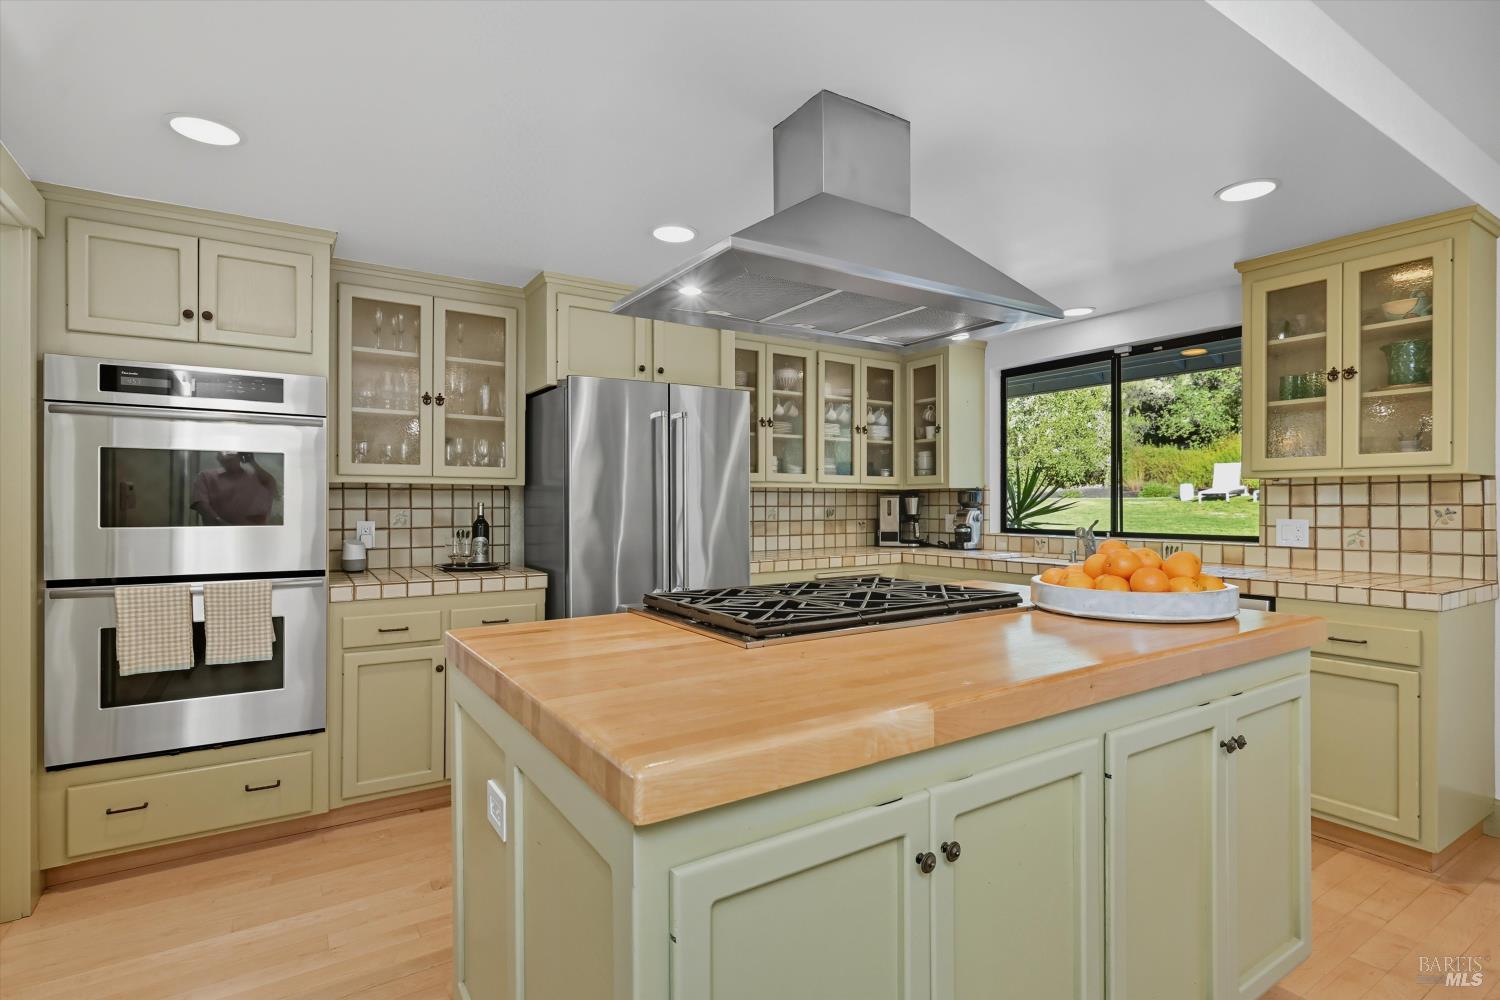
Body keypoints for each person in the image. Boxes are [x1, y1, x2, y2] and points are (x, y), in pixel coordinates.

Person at [191, 452, 280, 526]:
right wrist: (224, 525)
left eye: (232, 453)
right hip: (216, 535)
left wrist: (252, 462)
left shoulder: (254, 478)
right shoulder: (206, 477)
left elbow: (272, 486)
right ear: (218, 457)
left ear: (241, 455)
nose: (229, 456)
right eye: (225, 453)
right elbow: (202, 506)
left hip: (251, 536)